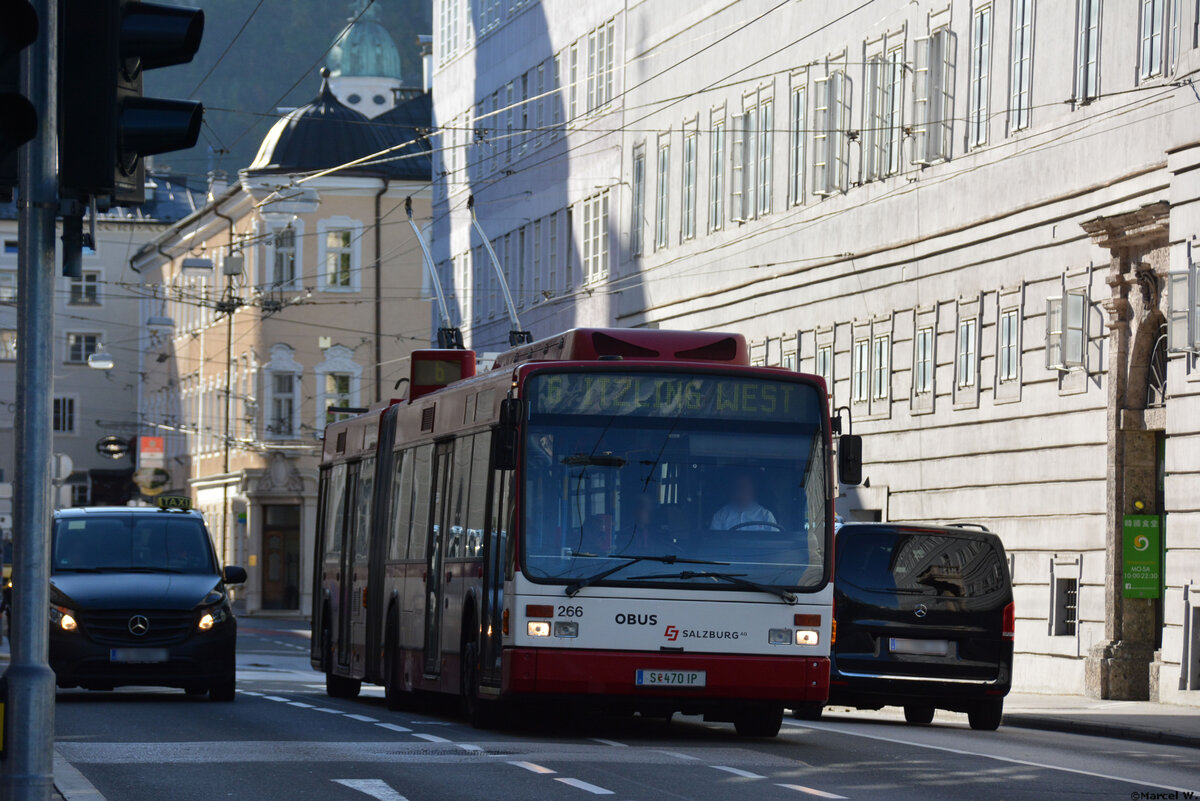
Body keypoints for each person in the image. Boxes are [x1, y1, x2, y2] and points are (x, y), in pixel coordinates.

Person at [710, 472, 778, 531]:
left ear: (753, 490)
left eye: (744, 487)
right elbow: (712, 543)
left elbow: (776, 543)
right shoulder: (720, 516)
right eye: (736, 487)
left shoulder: (766, 516)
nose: (740, 492)